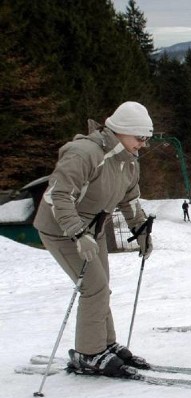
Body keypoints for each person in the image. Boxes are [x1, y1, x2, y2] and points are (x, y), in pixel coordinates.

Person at [33, 101, 155, 377]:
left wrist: (142, 232)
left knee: (102, 287)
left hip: (93, 230)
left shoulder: (128, 161)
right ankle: (88, 353)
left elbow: (130, 200)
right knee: (94, 287)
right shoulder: (85, 153)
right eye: (140, 138)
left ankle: (104, 344)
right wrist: (77, 233)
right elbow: (58, 196)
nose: (143, 144)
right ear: (122, 131)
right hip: (62, 229)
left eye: (146, 139)